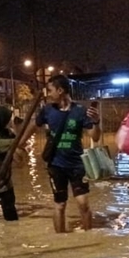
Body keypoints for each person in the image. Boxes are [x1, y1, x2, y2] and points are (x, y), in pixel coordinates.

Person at [25, 74, 101, 233]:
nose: (48, 94)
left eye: (50, 90)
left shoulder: (80, 111)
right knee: (60, 204)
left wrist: (96, 122)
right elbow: (33, 126)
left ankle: (89, 238)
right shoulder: (47, 110)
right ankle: (59, 240)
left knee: (83, 204)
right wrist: (19, 144)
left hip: (77, 165)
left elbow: (95, 136)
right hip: (56, 165)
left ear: (60, 90)